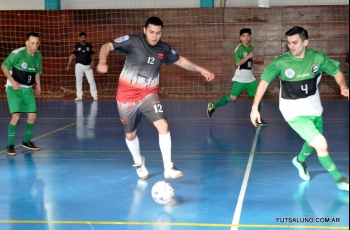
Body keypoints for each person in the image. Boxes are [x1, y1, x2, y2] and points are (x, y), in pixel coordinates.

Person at [97, 16, 215, 179]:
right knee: (130, 135)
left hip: (148, 94)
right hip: (126, 96)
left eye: (158, 33)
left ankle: (168, 167)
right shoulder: (132, 41)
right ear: (144, 30)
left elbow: (180, 61)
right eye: (151, 32)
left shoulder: (163, 48)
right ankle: (139, 161)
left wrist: (201, 69)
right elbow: (107, 46)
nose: (154, 36)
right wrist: (102, 61)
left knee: (163, 126)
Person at [250, 26, 349, 191]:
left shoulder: (318, 58)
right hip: (292, 110)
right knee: (321, 143)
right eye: (289, 43)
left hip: (314, 107)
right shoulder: (281, 62)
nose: (291, 46)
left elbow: (337, 72)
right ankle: (340, 180)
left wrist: (343, 86)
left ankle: (299, 160)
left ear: (306, 42)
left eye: (295, 42)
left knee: (312, 143)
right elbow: (264, 82)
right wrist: (254, 107)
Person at [207, 28, 268, 126]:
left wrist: (257, 59)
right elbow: (237, 63)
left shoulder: (251, 47)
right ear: (240, 38)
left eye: (248, 35)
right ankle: (212, 105)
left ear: (250, 37)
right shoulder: (239, 49)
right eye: (243, 36)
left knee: (258, 96)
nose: (246, 38)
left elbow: (250, 59)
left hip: (250, 77)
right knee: (232, 98)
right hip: (240, 77)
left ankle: (257, 118)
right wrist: (248, 56)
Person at [1, 32, 42, 156]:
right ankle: (10, 145)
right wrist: (13, 82)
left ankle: (27, 142)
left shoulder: (38, 55)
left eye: (37, 43)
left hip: (28, 89)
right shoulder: (17, 54)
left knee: (32, 116)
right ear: (26, 43)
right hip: (15, 89)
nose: (35, 46)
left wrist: (38, 85)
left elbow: (37, 71)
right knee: (16, 116)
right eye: (32, 43)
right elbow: (4, 66)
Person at [66, 32, 98, 101]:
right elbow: (72, 55)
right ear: (79, 38)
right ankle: (79, 96)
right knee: (78, 81)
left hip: (88, 66)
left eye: (84, 37)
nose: (83, 39)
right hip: (79, 65)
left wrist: (92, 62)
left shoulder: (89, 45)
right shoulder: (76, 46)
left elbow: (93, 54)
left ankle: (94, 95)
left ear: (86, 38)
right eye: (82, 37)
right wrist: (68, 65)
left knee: (91, 81)